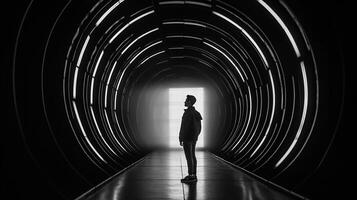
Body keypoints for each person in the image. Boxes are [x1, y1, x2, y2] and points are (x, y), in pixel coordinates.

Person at [179, 95, 202, 183]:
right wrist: (195, 136)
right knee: (192, 156)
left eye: (186, 100)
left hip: (187, 138)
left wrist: (181, 137)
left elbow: (184, 127)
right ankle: (193, 175)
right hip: (193, 138)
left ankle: (191, 176)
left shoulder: (188, 113)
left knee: (189, 157)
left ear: (189, 102)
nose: (184, 102)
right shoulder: (196, 113)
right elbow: (199, 127)